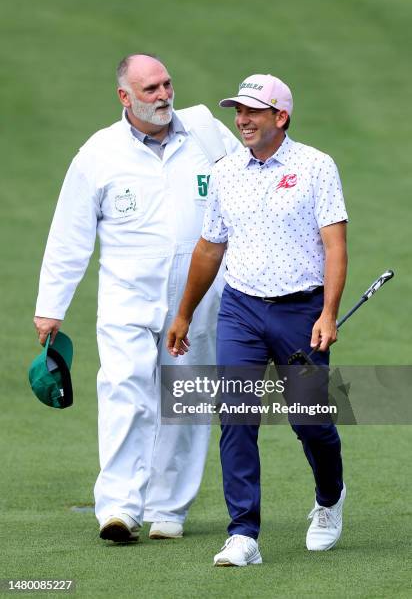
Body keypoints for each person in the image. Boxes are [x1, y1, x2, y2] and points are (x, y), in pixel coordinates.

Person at [33, 54, 240, 543]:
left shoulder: (207, 134)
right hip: (128, 295)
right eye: (150, 89)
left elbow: (247, 190)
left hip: (198, 297)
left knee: (186, 401)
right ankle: (120, 508)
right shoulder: (99, 153)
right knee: (125, 391)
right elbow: (69, 234)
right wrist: (51, 306)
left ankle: (169, 508)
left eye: (167, 84)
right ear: (125, 97)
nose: (164, 95)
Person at [167, 73, 348, 565]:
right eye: (238, 112)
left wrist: (328, 313)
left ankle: (330, 499)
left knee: (309, 420)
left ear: (280, 117)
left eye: (252, 112)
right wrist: (184, 313)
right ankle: (244, 533)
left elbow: (335, 245)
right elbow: (209, 248)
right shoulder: (225, 171)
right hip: (241, 310)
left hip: (301, 311)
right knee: (237, 418)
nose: (241, 120)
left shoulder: (316, 166)